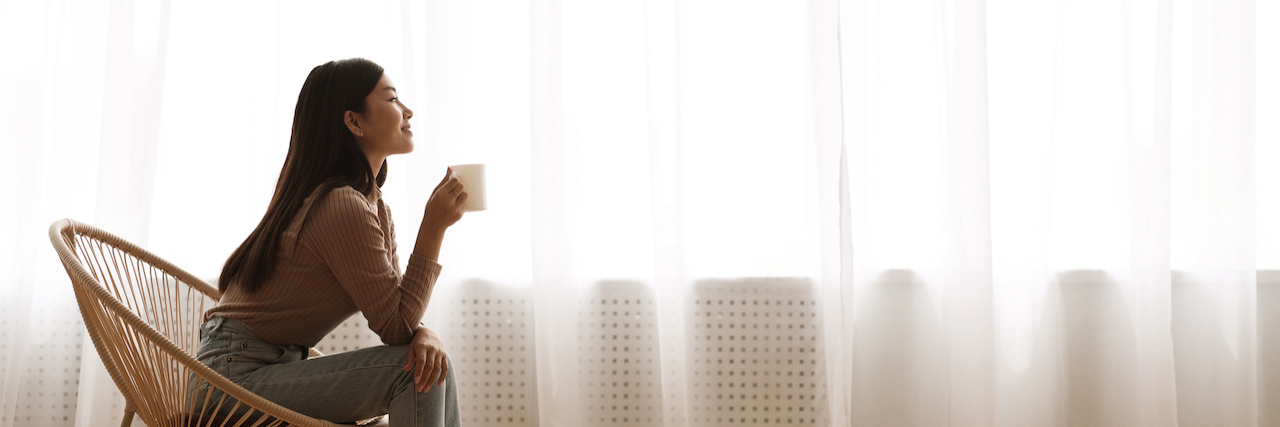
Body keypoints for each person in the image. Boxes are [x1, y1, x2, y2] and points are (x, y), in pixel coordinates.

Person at [191, 58, 464, 426]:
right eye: (393, 99)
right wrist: (433, 227)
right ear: (354, 121)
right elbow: (397, 326)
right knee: (416, 372)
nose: (407, 110)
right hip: (231, 379)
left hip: (267, 367)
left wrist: (424, 332)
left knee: (432, 367)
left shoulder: (370, 205)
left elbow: (398, 310)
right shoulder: (342, 205)